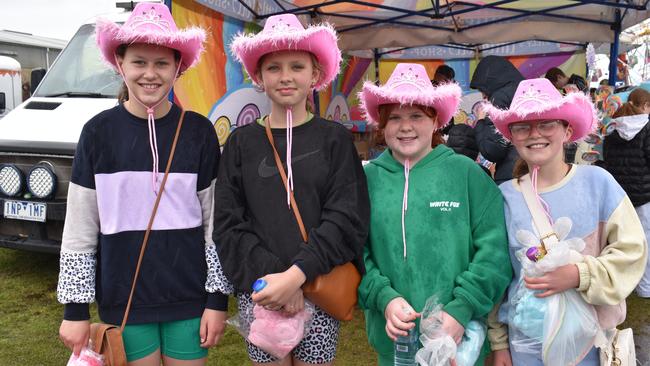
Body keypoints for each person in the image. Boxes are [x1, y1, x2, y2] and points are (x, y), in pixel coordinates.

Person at [57, 4, 231, 365]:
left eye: (161, 63)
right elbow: (80, 227)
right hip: (124, 299)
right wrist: (75, 309)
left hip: (189, 298)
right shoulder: (97, 134)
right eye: (139, 62)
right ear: (120, 63)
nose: (150, 74)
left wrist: (217, 299)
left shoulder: (198, 132)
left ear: (177, 67)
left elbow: (216, 223)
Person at [214, 13, 370, 365]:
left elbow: (347, 218)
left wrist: (298, 275)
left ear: (315, 75)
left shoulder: (335, 140)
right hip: (262, 290)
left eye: (297, 66)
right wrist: (279, 284)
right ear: (258, 76)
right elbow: (227, 223)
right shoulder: (241, 143)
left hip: (319, 288)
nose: (286, 77)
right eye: (274, 68)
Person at [357, 63, 512, 366]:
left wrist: (461, 309)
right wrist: (383, 298)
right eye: (395, 118)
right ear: (382, 124)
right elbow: (355, 252)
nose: (405, 127)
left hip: (459, 341)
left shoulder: (467, 174)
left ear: (437, 120)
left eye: (417, 116)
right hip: (394, 345)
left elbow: (494, 252)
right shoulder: (366, 180)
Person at [484, 78, 647, 365]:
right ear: (512, 136)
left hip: (589, 344)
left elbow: (632, 250)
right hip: (525, 346)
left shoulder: (598, 183)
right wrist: (498, 343)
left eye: (547, 123)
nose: (535, 133)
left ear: (567, 129)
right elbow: (497, 275)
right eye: (523, 126)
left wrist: (579, 275)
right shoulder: (504, 196)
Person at [603, 87, 650, 299]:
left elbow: (608, 162)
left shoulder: (612, 131)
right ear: (645, 106)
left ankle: (624, 285)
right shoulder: (647, 129)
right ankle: (646, 287)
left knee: (623, 242)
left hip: (620, 196)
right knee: (646, 242)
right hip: (645, 196)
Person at [470, 56, 524, 184]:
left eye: (482, 90)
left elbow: (492, 150)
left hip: (511, 175)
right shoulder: (525, 90)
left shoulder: (500, 97)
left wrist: (481, 121)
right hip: (536, 172)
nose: (483, 95)